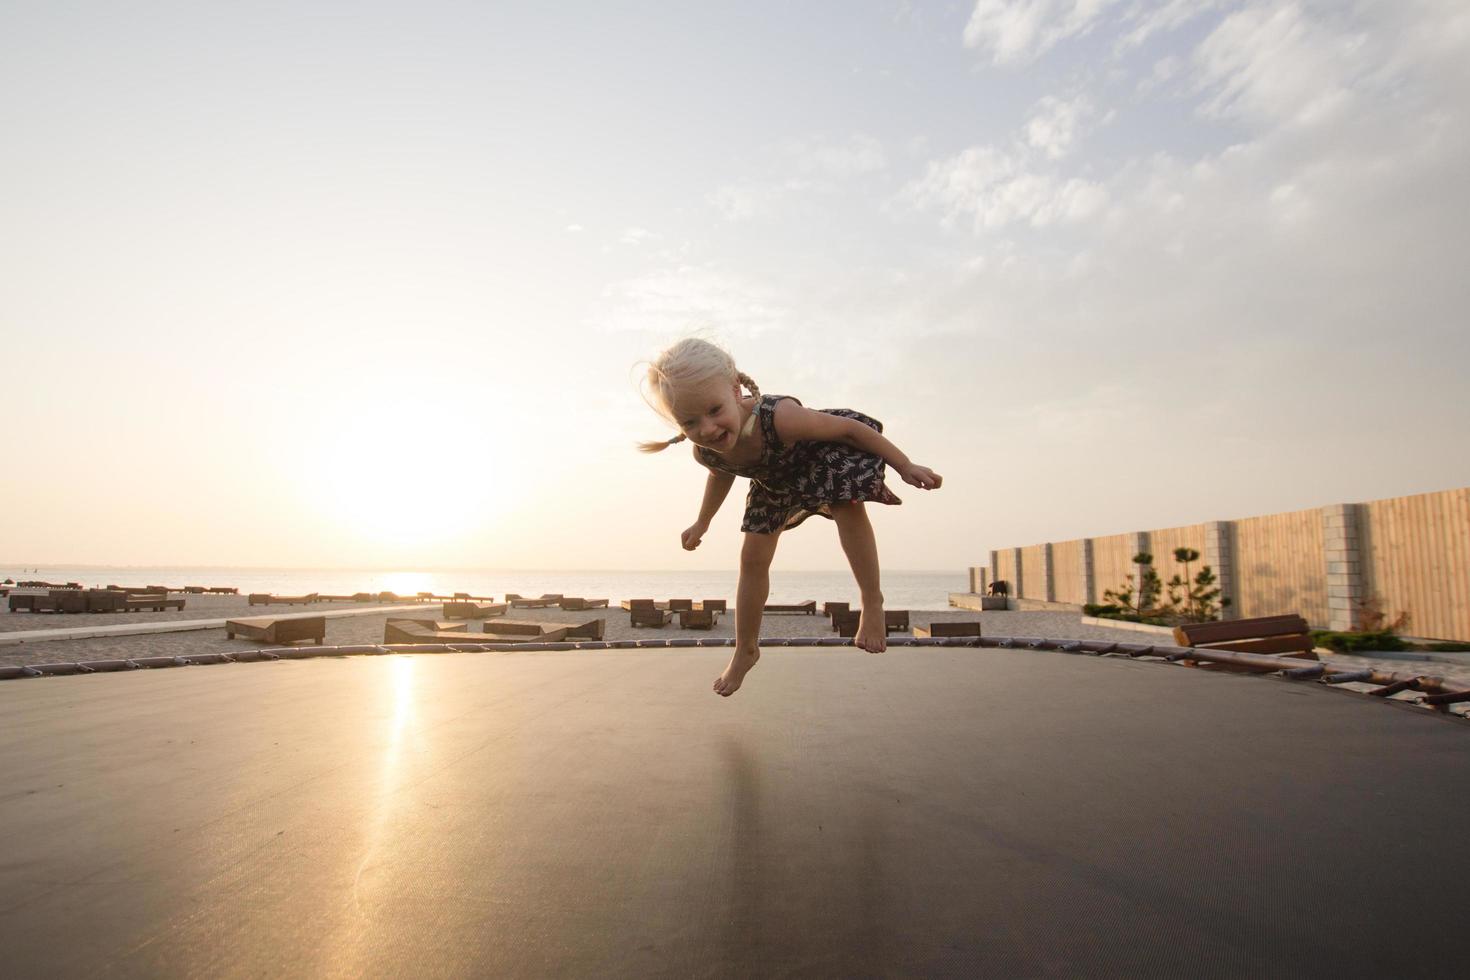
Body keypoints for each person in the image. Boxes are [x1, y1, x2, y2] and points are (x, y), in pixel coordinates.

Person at [638, 337, 942, 697]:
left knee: (846, 504)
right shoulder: (706, 451)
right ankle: (746, 649)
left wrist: (904, 465)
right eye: (690, 421)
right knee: (751, 560)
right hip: (773, 483)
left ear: (736, 392)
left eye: (714, 410)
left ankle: (871, 601)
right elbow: (720, 476)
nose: (706, 429)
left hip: (819, 459)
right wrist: (702, 522)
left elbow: (851, 431)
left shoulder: (781, 418)